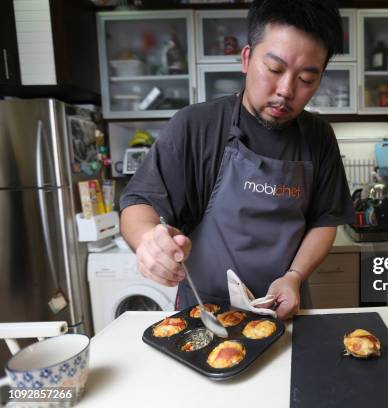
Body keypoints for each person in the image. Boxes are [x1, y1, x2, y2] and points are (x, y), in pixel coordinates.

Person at [119, 0, 354, 320]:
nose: (286, 90)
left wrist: (295, 276)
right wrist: (148, 240)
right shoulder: (196, 126)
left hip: (284, 309)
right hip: (203, 314)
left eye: (306, 79)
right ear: (247, 59)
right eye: (274, 69)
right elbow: (138, 203)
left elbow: (325, 221)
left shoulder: (318, 137)